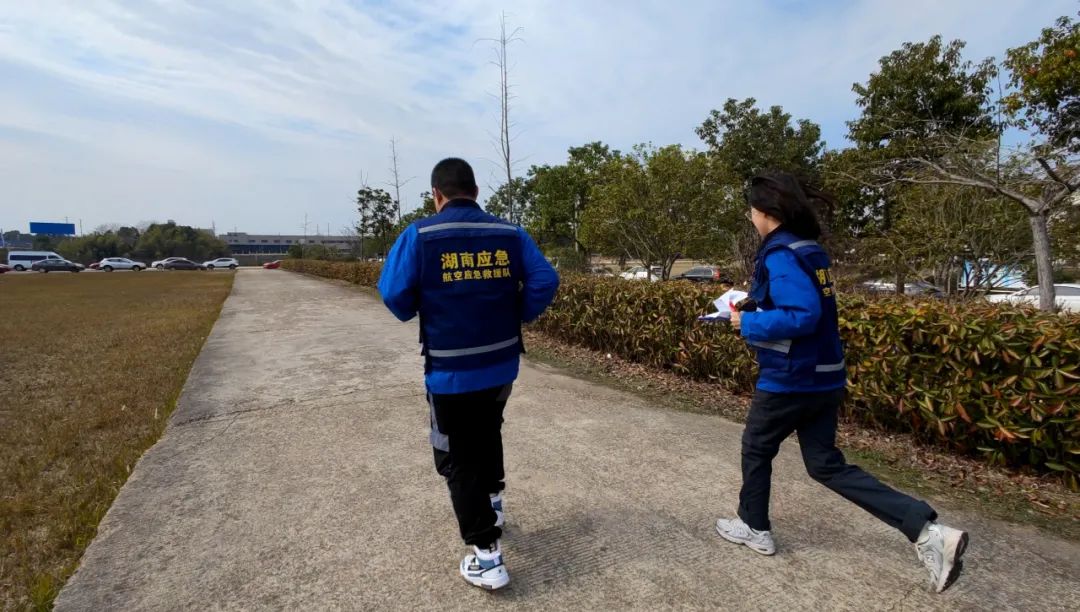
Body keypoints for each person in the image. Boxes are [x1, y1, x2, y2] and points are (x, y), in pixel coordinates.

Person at [714, 173, 969, 594]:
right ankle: (927, 532)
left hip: (790, 378)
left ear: (768, 213)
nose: (750, 216)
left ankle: (754, 527)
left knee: (756, 448)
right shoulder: (810, 250)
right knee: (826, 465)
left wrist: (749, 321)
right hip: (824, 376)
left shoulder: (780, 253)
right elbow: (807, 306)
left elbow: (802, 314)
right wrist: (755, 303)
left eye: (752, 210)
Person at [377, 157, 559, 591]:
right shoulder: (509, 234)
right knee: (488, 429)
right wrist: (519, 312)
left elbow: (395, 296)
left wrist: (423, 305)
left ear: (436, 196)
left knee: (456, 458)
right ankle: (493, 504)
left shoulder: (420, 235)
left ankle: (486, 554)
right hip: (501, 366)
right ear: (476, 192)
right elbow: (545, 280)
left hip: (450, 372)